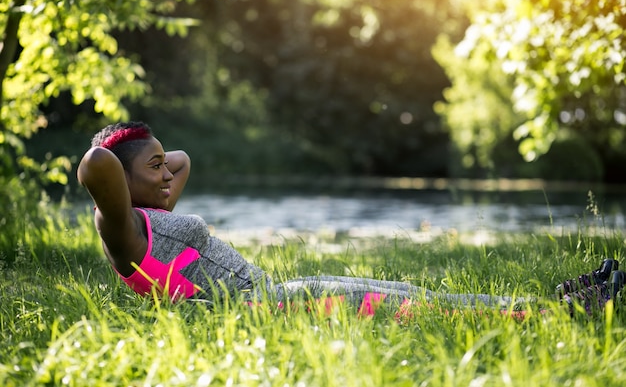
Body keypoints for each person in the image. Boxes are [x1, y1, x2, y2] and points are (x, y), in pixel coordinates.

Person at [77, 121, 621, 318]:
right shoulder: (124, 233)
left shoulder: (149, 212)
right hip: (266, 308)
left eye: (161, 165)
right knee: (415, 305)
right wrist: (123, 164)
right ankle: (562, 313)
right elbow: (95, 165)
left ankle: (560, 302)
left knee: (408, 289)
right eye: (154, 168)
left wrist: (149, 162)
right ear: (120, 187)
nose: (169, 174)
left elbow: (181, 159)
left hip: (281, 293)